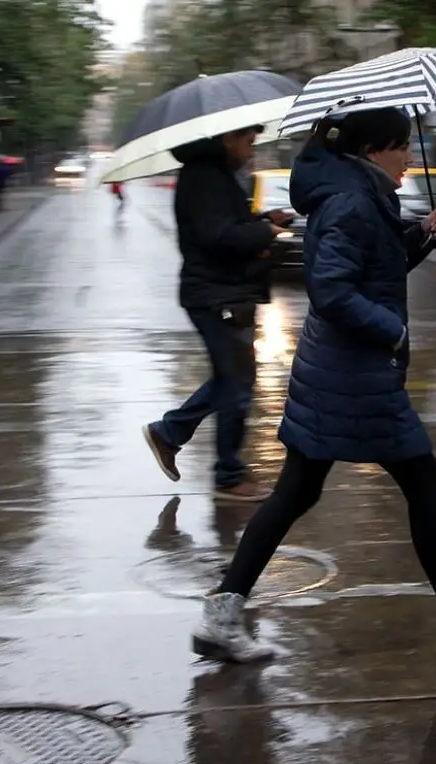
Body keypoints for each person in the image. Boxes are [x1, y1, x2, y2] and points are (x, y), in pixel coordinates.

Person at [188, 108, 436, 663]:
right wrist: (392, 331)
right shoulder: (352, 200)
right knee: (423, 481)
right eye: (402, 148)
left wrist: (419, 237)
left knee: (297, 492)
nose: (409, 159)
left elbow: (376, 267)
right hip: (356, 375)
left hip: (336, 370)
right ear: (374, 150)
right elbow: (331, 289)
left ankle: (222, 613)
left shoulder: (358, 192)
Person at [141, 127, 291, 503]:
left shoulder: (214, 174)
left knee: (233, 379)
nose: (251, 148)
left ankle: (170, 432)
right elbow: (217, 236)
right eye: (248, 141)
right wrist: (263, 232)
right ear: (228, 138)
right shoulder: (205, 177)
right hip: (217, 295)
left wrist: (262, 218)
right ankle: (227, 476)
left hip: (222, 293)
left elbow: (224, 224)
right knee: (237, 384)